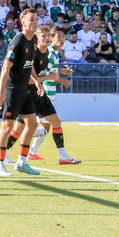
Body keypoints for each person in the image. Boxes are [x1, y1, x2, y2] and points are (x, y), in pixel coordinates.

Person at [0, 10, 46, 177]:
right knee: (7, 126)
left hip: (25, 90)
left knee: (31, 123)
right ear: (23, 22)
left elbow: (29, 64)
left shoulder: (32, 42)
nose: (35, 22)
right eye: (32, 19)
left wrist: (37, 80)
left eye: (36, 19)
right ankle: (0, 165)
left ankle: (22, 163)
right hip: (13, 90)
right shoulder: (18, 41)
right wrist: (1, 92)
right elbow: (5, 67)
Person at [24, 26, 81, 165]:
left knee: (47, 125)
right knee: (46, 124)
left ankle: (31, 152)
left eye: (63, 37)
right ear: (52, 37)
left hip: (49, 90)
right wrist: (62, 79)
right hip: (44, 90)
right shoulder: (50, 51)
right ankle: (24, 144)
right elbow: (44, 73)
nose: (62, 39)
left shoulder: (55, 52)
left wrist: (62, 71)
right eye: (59, 36)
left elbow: (50, 69)